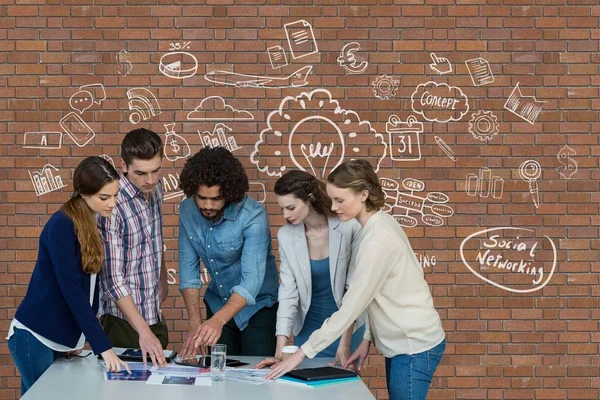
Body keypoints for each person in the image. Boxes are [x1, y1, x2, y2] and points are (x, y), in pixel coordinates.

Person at [265, 160, 446, 400]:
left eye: (340, 200)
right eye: (331, 199)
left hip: (414, 345)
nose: (334, 207)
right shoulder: (379, 224)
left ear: (363, 195)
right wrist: (368, 338)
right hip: (403, 344)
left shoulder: (377, 241)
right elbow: (374, 294)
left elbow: (353, 305)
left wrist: (300, 355)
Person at [7, 157, 131, 396]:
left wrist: (75, 340)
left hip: (57, 338)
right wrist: (103, 347)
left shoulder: (92, 219)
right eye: (104, 198)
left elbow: (90, 289)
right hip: (35, 336)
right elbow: (72, 291)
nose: (112, 204)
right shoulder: (61, 225)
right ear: (83, 193)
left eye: (116, 195)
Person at [255, 170, 365, 370]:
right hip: (307, 329)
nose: (285, 215)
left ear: (310, 199)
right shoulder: (286, 235)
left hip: (347, 327)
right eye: (282, 209)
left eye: (290, 208)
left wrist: (345, 341)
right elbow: (288, 292)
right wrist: (280, 352)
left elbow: (355, 288)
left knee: (344, 390)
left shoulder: (349, 227)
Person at [177, 147, 279, 358]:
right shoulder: (187, 210)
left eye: (216, 199)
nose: (207, 205)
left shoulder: (253, 216)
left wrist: (216, 322)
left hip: (258, 309)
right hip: (217, 302)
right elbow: (189, 274)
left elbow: (251, 281)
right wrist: (196, 325)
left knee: (255, 377)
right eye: (201, 198)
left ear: (230, 193)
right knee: (219, 374)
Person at [97, 128, 169, 367]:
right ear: (123, 166)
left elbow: (155, 236)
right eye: (141, 173)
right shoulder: (112, 206)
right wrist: (144, 332)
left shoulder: (155, 189)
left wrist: (162, 277)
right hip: (122, 322)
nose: (150, 180)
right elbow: (112, 279)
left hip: (153, 311)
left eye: (156, 171)